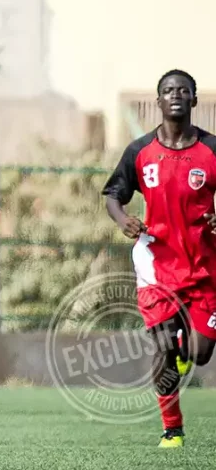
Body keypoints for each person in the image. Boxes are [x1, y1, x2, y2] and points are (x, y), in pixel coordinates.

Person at [102, 69, 216, 448]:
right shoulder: (140, 151)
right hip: (157, 265)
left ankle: (186, 349)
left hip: (205, 268)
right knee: (162, 346)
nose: (176, 95)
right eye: (168, 90)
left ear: (194, 100)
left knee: (200, 353)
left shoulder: (211, 150)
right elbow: (113, 195)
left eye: (183, 90)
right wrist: (123, 220)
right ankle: (172, 429)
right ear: (159, 101)